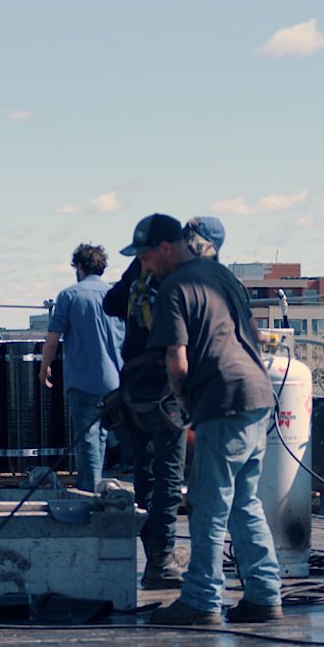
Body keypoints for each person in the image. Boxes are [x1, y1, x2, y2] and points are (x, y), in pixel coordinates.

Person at [126, 212, 282, 625]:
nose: (142, 265)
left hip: (223, 398)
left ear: (164, 248)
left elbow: (176, 360)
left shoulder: (174, 287)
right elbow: (251, 330)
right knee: (245, 504)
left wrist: (187, 406)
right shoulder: (221, 275)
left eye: (144, 256)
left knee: (209, 506)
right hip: (257, 392)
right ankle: (265, 596)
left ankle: (201, 600)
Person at [104, 234, 188, 588]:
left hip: (133, 385)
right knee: (169, 475)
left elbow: (110, 304)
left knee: (146, 473)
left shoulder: (136, 277)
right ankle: (162, 558)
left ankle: (156, 556)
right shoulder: (177, 280)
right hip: (166, 387)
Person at [39, 243, 124, 492]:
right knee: (102, 435)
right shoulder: (116, 295)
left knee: (87, 437)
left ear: (79, 266)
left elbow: (53, 339)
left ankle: (89, 491)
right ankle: (98, 486)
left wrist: (44, 367)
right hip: (115, 380)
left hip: (84, 378)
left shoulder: (70, 295)